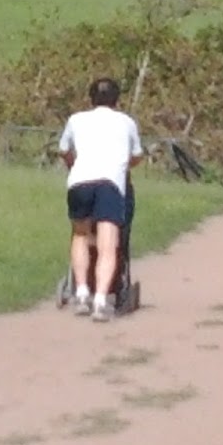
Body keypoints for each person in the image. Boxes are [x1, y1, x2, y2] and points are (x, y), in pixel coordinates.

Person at [58, 77, 143, 323]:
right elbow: (136, 156)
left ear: (90, 98)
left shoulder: (76, 119)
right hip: (110, 184)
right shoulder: (126, 122)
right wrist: (123, 164)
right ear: (117, 100)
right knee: (108, 245)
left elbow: (64, 149)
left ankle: (82, 291)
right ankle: (101, 300)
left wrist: (72, 164)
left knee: (81, 236)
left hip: (79, 182)